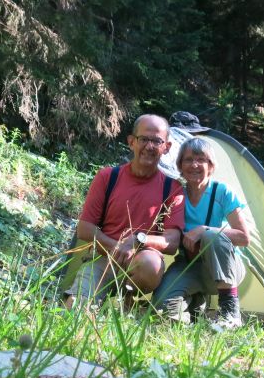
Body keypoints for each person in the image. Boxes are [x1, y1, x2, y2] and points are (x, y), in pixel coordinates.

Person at [64, 114, 185, 309]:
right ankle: (100, 302)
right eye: (144, 139)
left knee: (150, 265)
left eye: (157, 141)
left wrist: (138, 240)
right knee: (75, 308)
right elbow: (85, 229)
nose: (149, 146)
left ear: (166, 147)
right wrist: (118, 248)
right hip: (102, 259)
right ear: (131, 142)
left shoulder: (172, 188)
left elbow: (172, 241)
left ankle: (127, 300)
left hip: (142, 263)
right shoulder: (107, 177)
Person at [153, 136, 250, 329]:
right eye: (188, 160)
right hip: (190, 265)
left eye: (201, 160)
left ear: (211, 165)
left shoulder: (222, 192)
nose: (194, 165)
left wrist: (204, 229)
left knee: (211, 236)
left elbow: (243, 238)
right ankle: (195, 309)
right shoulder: (175, 193)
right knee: (162, 304)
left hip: (227, 268)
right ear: (180, 165)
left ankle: (230, 312)